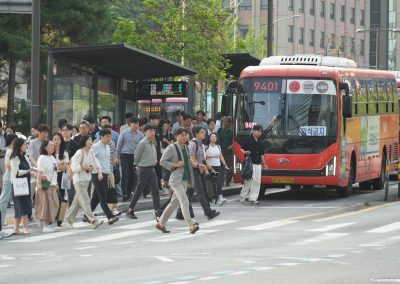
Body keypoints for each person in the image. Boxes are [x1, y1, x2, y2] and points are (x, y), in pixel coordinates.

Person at [156, 127, 199, 234]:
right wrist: (175, 165)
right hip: (175, 180)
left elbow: (188, 162)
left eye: (186, 135)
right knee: (184, 201)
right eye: (182, 135)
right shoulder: (171, 147)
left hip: (185, 179)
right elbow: (162, 161)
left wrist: (198, 165)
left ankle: (161, 223)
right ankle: (191, 225)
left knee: (174, 203)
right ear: (176, 136)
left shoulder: (186, 147)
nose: (184, 137)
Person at [63, 135, 103, 229]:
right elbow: (73, 168)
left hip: (86, 180)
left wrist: (99, 172)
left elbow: (96, 163)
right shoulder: (79, 153)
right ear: (84, 141)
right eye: (88, 140)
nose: (90, 141)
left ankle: (67, 221)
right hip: (78, 180)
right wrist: (84, 168)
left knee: (76, 202)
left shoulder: (91, 152)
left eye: (91, 140)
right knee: (85, 200)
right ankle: (93, 220)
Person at [126, 124, 160, 219]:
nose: (152, 133)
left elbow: (154, 151)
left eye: (153, 131)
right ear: (145, 133)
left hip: (151, 168)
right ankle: (130, 210)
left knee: (155, 190)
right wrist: (136, 166)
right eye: (150, 131)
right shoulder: (142, 143)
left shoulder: (153, 141)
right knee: (139, 190)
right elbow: (136, 156)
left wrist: (155, 160)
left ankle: (157, 211)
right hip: (143, 168)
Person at [187, 126, 220, 220]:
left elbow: (203, 159)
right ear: (196, 134)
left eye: (204, 132)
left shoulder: (201, 144)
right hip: (195, 169)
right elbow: (191, 157)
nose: (204, 133)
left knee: (190, 192)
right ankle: (208, 212)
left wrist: (208, 169)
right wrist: (198, 166)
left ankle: (179, 213)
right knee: (200, 191)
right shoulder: (193, 144)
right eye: (202, 132)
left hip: (200, 169)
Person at [89, 128, 119, 225]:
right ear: (101, 137)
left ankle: (87, 216)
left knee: (96, 197)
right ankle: (110, 216)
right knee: (103, 197)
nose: (109, 138)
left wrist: (110, 172)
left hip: (106, 174)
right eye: (106, 137)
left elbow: (108, 161)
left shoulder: (108, 147)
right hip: (97, 174)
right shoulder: (96, 146)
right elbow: (91, 160)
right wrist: (98, 171)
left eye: (110, 136)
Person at [116, 117, 144, 201]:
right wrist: (117, 157)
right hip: (124, 155)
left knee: (133, 175)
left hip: (135, 156)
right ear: (130, 124)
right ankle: (124, 193)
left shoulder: (140, 135)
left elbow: (142, 147)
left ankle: (129, 193)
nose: (136, 126)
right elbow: (119, 145)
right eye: (134, 124)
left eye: (137, 124)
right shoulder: (124, 133)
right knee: (125, 174)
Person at [239, 124, 268, 204]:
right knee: (250, 180)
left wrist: (264, 163)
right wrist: (244, 152)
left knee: (257, 181)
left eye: (261, 132)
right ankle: (243, 196)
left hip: (258, 164)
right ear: (254, 131)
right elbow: (241, 148)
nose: (260, 133)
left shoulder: (260, 142)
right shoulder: (247, 140)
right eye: (259, 131)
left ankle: (253, 198)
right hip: (250, 163)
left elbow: (262, 154)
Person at [36, 140, 60, 233]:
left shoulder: (52, 158)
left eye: (53, 145)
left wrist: (56, 183)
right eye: (50, 145)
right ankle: (45, 225)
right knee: (46, 205)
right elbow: (39, 172)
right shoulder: (42, 158)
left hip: (52, 184)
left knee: (55, 204)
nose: (53, 147)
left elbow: (54, 172)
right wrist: (38, 184)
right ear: (45, 147)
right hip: (45, 185)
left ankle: (44, 221)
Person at [10, 138, 32, 235]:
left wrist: (33, 172)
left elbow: (29, 169)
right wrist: (27, 171)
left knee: (21, 206)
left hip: (25, 184)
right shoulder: (14, 157)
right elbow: (15, 173)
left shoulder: (25, 157)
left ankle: (16, 228)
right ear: (19, 146)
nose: (26, 146)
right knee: (22, 206)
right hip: (17, 185)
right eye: (24, 144)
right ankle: (25, 228)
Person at [205, 133, 230, 205]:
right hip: (211, 167)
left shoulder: (218, 146)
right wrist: (213, 155)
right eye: (212, 136)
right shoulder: (206, 147)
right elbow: (205, 156)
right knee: (213, 182)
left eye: (215, 136)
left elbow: (221, 156)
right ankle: (215, 197)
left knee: (218, 181)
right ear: (209, 138)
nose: (213, 138)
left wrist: (225, 165)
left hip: (218, 166)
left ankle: (218, 197)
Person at [52, 133, 70, 226]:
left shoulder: (65, 153)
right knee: (51, 197)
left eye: (58, 139)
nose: (56, 141)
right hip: (51, 176)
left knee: (61, 197)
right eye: (54, 139)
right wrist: (60, 165)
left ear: (61, 141)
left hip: (61, 176)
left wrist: (57, 166)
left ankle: (60, 219)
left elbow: (65, 166)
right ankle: (52, 216)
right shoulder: (49, 152)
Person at [0, 134, 17, 227]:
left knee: (5, 198)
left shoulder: (11, 151)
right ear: (12, 141)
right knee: (4, 199)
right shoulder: (10, 151)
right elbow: (7, 166)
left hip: (11, 176)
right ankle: (1, 220)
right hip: (9, 175)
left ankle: (2, 219)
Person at [60, 124, 80, 206]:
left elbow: (77, 158)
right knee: (60, 193)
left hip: (69, 171)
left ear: (71, 131)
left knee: (70, 192)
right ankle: (60, 215)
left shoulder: (75, 145)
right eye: (63, 130)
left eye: (66, 130)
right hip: (59, 170)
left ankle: (70, 212)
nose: (64, 132)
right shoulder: (58, 143)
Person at [217, 117, 233, 186]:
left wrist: (231, 146)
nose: (224, 123)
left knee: (229, 167)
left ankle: (228, 181)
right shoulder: (219, 130)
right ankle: (221, 181)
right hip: (220, 152)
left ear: (229, 123)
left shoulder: (231, 132)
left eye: (226, 121)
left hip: (229, 153)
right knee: (220, 167)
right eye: (223, 121)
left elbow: (234, 141)